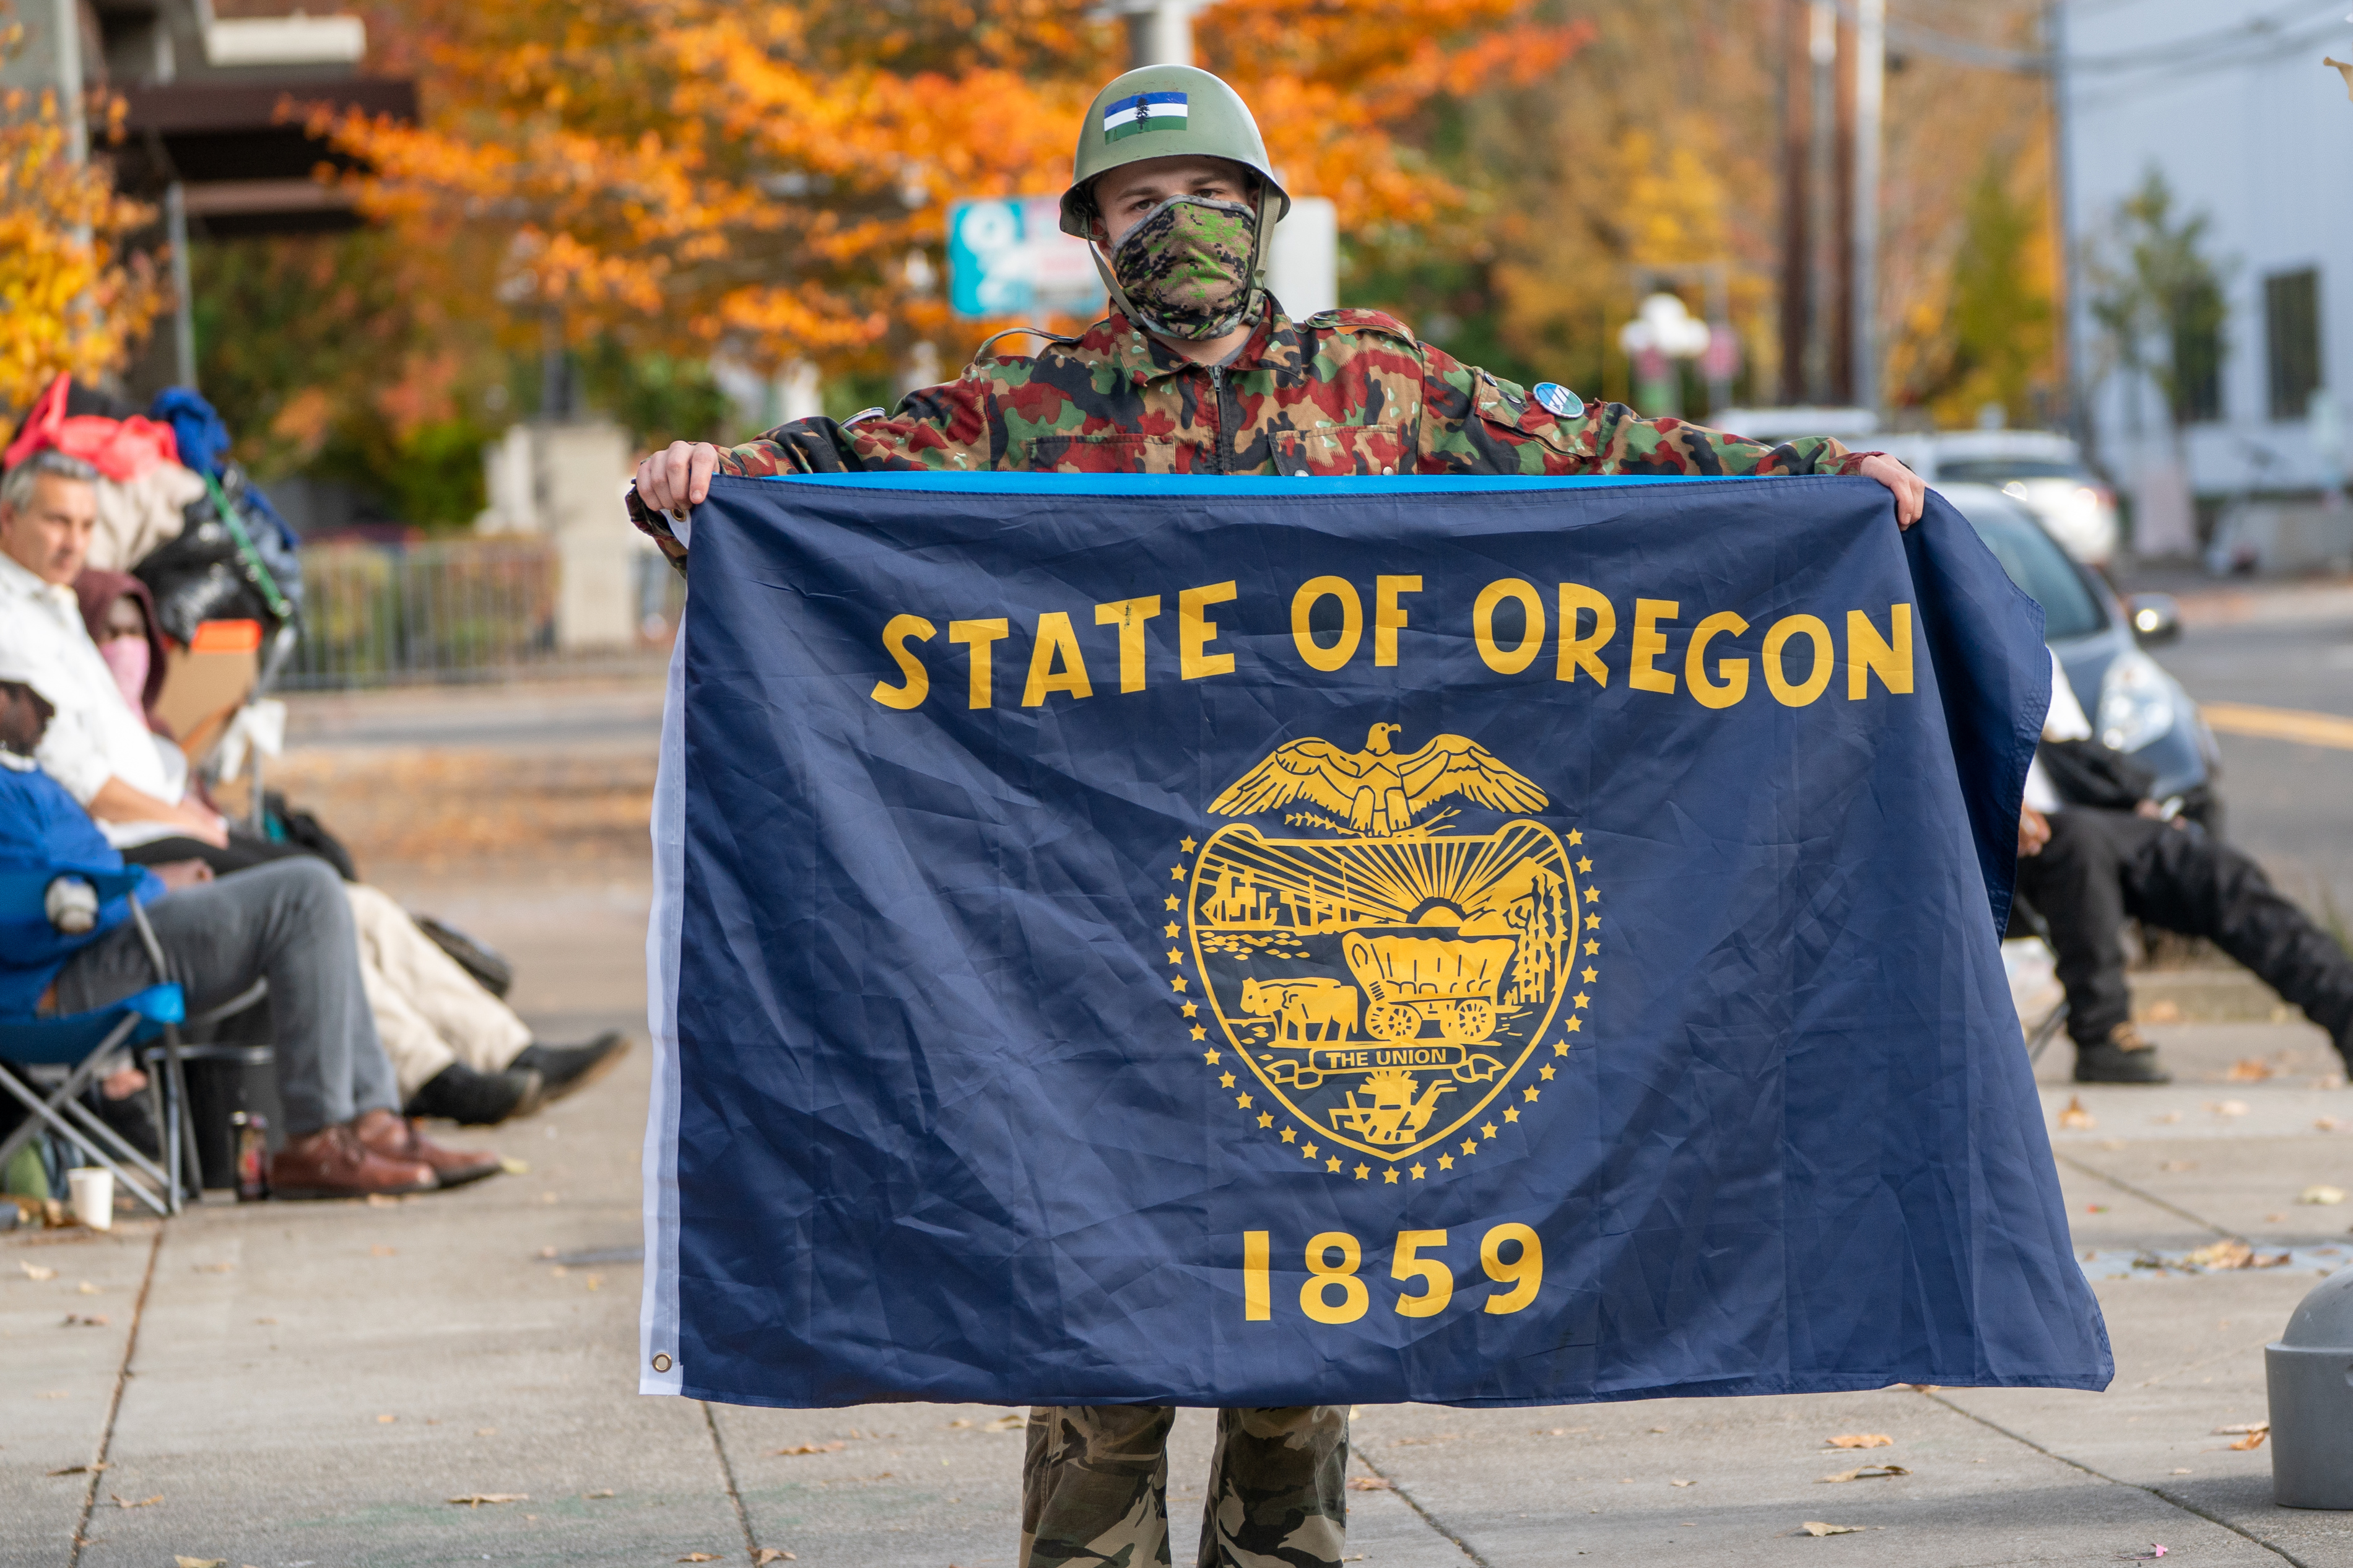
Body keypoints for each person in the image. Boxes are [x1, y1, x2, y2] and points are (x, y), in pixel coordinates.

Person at [626, 63, 1927, 1568]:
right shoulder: (1028, 404)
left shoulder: (1380, 388)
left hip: (1309, 942)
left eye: (1202, 198)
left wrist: (1820, 484)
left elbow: (1608, 458)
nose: (1173, 224)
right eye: (1136, 204)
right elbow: (837, 483)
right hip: (1094, 958)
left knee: (1297, 1339)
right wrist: (718, 479)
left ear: (1259, 215)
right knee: (1094, 1326)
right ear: (1095, 238)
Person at [2, 448, 629, 1125]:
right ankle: (431, 1075)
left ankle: (506, 1051)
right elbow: (80, 782)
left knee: (354, 902)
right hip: (126, 849)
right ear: (8, 518)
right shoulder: (11, 621)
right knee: (317, 897)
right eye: (58, 521)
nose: (75, 541)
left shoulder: (58, 603)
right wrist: (192, 823)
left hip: (163, 819)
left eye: (87, 526)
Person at [0, 665, 500, 1198]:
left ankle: (374, 1127)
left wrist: (142, 884)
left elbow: (71, 879)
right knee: (304, 895)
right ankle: (316, 1143)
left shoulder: (23, 775)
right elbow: (33, 915)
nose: (43, 706)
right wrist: (151, 887)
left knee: (319, 896)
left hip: (108, 941)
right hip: (60, 983)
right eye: (19, 691)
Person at [2016, 654, 2353, 1084]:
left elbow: (2075, 752)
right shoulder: (1937, 639)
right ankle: (2103, 1033)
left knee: (2209, 865)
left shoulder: (2031, 647)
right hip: (1999, 849)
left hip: (2092, 831)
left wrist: (2135, 803)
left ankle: (2345, 1009)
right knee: (2078, 842)